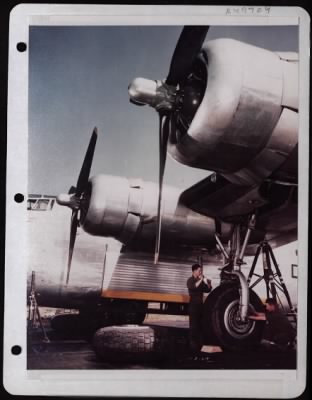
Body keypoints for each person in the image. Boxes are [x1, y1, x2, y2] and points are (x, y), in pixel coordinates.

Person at [186, 263, 212, 358]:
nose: (200, 272)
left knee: (201, 328)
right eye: (199, 270)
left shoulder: (200, 281)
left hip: (201, 307)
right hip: (193, 307)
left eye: (201, 271)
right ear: (194, 271)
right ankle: (193, 351)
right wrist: (201, 279)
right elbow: (194, 286)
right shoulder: (190, 280)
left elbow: (208, 290)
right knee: (193, 329)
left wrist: (208, 283)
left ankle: (200, 350)